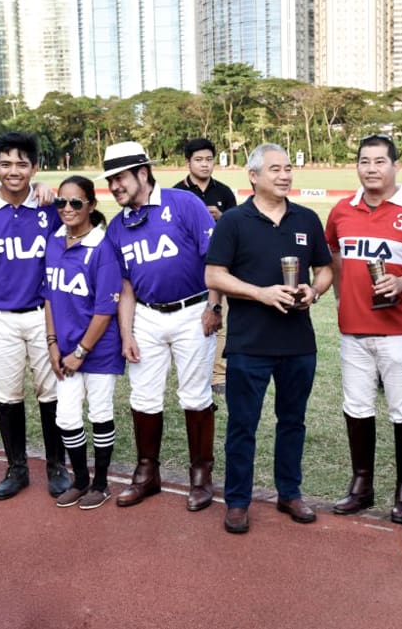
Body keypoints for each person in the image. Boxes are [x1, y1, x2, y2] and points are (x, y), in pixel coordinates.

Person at [205, 143, 333, 534]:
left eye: (288, 168)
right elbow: (214, 275)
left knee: (292, 422)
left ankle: (289, 493)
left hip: (298, 343)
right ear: (253, 176)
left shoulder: (307, 218)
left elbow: (325, 269)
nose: (284, 175)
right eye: (275, 169)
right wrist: (260, 293)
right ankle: (238, 501)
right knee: (242, 425)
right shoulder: (234, 221)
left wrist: (314, 290)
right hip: (249, 344)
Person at [103, 141, 222, 511]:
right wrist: (126, 333)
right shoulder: (117, 226)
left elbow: (214, 259)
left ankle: (201, 475)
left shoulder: (184, 204)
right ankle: (147, 473)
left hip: (193, 311)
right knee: (143, 397)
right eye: (110, 181)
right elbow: (125, 286)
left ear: (143, 173)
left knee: (195, 396)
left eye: (120, 178)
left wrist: (214, 306)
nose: (115, 186)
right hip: (146, 316)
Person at [324, 134, 402, 524]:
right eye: (364, 161)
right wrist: (340, 296)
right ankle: (361, 485)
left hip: (400, 329)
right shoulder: (342, 210)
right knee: (356, 406)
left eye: (379, 161)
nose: (371, 169)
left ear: (396, 166)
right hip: (353, 329)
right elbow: (333, 252)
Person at [0, 132, 70, 500]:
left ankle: (57, 465)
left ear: (35, 168)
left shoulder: (50, 207)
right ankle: (17, 467)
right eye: (6, 163)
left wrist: (49, 191)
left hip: (44, 314)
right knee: (6, 394)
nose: (14, 171)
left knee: (51, 390)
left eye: (22, 164)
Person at [44, 176, 124, 510]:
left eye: (76, 202)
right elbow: (49, 296)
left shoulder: (102, 247)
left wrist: (80, 352)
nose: (67, 208)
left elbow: (105, 309)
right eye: (61, 202)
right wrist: (52, 343)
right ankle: (79, 480)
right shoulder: (54, 241)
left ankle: (100, 483)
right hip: (65, 349)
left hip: (97, 349)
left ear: (91, 205)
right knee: (66, 417)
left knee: (100, 411)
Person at [173, 137, 237, 395]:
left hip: (220, 266)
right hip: (188, 269)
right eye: (198, 160)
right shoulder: (177, 193)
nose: (204, 164)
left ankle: (218, 375)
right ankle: (190, 371)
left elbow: (236, 228)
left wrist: (221, 218)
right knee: (189, 323)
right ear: (188, 162)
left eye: (209, 159)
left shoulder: (224, 192)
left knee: (218, 317)